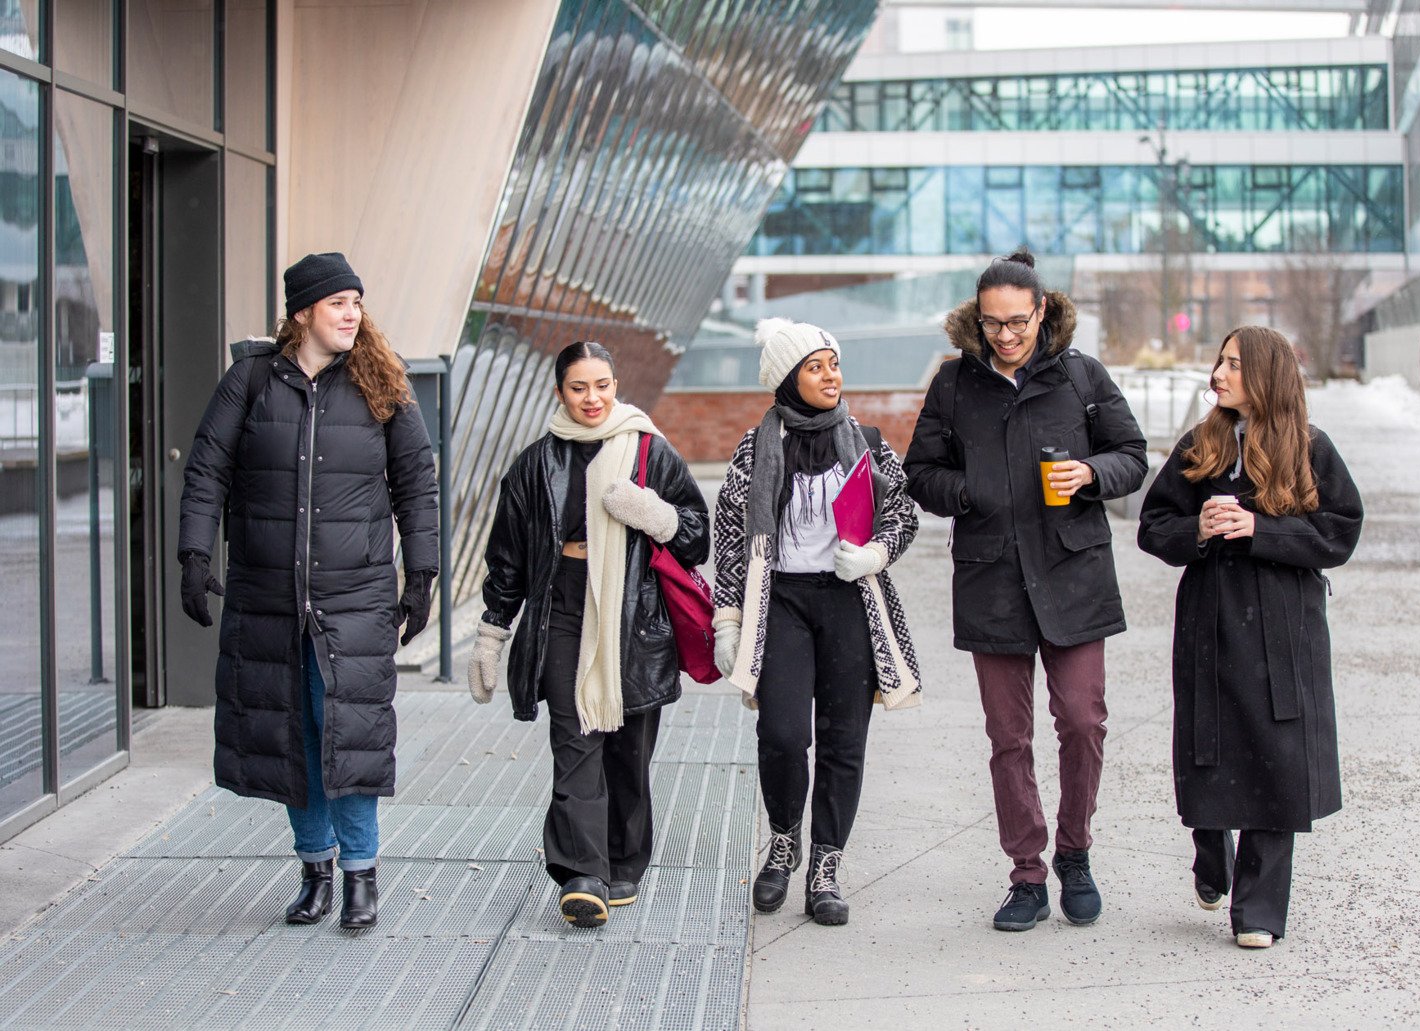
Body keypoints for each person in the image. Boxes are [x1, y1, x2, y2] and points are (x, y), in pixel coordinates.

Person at [178, 252, 439, 930]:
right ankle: (314, 867)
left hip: (354, 598)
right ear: (302, 313)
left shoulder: (382, 384)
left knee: (344, 732)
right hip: (267, 598)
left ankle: (361, 875)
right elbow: (207, 469)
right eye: (337, 302)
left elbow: (417, 483)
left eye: (356, 300)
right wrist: (192, 553)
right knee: (291, 733)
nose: (352, 312)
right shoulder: (251, 381)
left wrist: (424, 574)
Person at [903, 250, 1146, 932]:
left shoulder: (1080, 376)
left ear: (1043, 312)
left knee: (1082, 719)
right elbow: (920, 471)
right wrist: (967, 490)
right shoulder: (954, 385)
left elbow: (1133, 454)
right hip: (991, 576)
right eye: (992, 323)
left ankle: (1075, 852)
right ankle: (1027, 875)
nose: (1005, 336)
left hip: (1073, 572)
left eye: (1017, 321)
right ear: (975, 320)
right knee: (1009, 736)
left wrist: (1091, 472)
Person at [467, 341, 709, 928]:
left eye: (601, 385)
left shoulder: (650, 451)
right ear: (560, 393)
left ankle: (624, 858)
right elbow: (508, 560)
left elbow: (696, 537)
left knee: (629, 751)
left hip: (635, 617)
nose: (592, 398)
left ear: (615, 385)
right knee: (574, 743)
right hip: (563, 611)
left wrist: (654, 513)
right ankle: (582, 873)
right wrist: (493, 631)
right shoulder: (533, 464)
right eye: (579, 388)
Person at [1138, 326, 1363, 949]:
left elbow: (1340, 532)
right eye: (1219, 360)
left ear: (1264, 374)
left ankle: (1259, 909)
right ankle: (1212, 851)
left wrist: (1261, 530)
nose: (1219, 372)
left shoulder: (1311, 448)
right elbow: (1154, 527)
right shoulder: (1200, 444)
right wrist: (1199, 528)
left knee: (1277, 761)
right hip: (1210, 619)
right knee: (1207, 746)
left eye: (1234, 364)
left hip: (1282, 628)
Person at [712, 317, 922, 927]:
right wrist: (728, 619)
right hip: (782, 602)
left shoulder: (867, 440)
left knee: (843, 738)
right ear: (786, 379)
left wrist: (879, 551)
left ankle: (826, 865)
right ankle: (783, 841)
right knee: (780, 733)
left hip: (848, 600)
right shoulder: (756, 448)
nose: (831, 376)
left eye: (834, 363)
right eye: (815, 366)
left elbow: (902, 511)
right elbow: (730, 535)